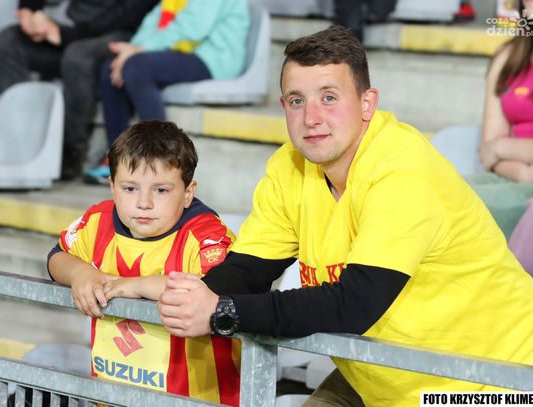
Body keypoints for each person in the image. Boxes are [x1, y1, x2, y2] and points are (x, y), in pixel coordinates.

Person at [157, 26, 533, 406]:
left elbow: (355, 304)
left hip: (493, 379)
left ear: (367, 103)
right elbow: (247, 270)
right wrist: (187, 295)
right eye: (297, 101)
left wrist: (224, 311)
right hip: (385, 372)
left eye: (329, 98)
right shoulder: (290, 165)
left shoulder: (400, 169)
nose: (311, 118)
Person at [47, 120, 240, 406]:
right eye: (130, 188)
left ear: (188, 192)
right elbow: (56, 257)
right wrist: (80, 273)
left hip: (199, 400)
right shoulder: (98, 221)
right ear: (112, 187)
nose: (144, 203)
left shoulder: (205, 235)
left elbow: (213, 290)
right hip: (114, 396)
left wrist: (136, 286)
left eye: (161, 190)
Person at [84, 0, 249, 185]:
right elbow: (155, 21)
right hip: (180, 51)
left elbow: (193, 26)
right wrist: (130, 51)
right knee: (112, 68)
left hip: (212, 58)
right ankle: (118, 159)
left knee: (137, 68)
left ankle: (159, 161)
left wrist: (139, 51)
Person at [0, 0, 157, 180]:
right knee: (8, 40)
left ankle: (70, 152)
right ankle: (20, 143)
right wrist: (29, 10)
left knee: (77, 57)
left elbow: (126, 15)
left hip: (119, 33)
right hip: (70, 30)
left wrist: (63, 33)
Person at [479, 0, 533, 180]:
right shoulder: (507, 57)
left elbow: (494, 147)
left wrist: (501, 147)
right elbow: (487, 152)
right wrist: (524, 174)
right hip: (510, 178)